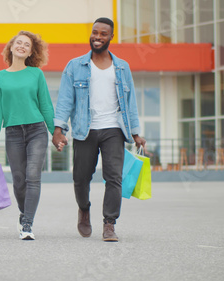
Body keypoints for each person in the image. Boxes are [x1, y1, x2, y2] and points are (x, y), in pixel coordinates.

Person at [52, 17, 146, 242]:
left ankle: (109, 224)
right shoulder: (75, 65)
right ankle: (84, 209)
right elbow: (65, 99)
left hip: (114, 129)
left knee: (114, 177)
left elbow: (130, 102)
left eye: (103, 34)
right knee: (81, 177)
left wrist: (135, 132)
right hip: (85, 129)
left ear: (111, 37)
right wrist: (58, 129)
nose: (97, 37)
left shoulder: (122, 67)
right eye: (95, 32)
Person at [0, 30, 54, 240]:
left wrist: (55, 132)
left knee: (33, 176)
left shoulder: (36, 74)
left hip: (36, 130)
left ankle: (28, 225)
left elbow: (46, 106)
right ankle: (24, 213)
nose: (22, 46)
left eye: (27, 45)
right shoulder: (0, 77)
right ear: (11, 47)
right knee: (19, 180)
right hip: (13, 133)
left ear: (31, 52)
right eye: (19, 43)